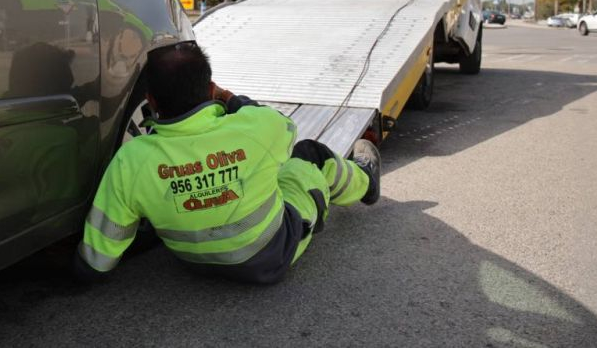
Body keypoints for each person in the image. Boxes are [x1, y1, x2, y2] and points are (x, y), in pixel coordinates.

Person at [74, 41, 380, 284]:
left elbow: (98, 257)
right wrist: (230, 99)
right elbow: (286, 130)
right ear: (211, 90)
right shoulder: (254, 128)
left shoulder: (131, 159)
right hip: (271, 256)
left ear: (151, 101)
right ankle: (364, 183)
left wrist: (82, 267)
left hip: (194, 263)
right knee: (310, 155)